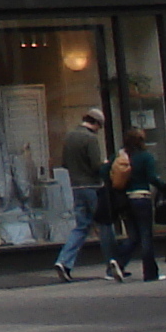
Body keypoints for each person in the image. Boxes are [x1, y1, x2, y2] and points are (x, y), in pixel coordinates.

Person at [54, 109, 108, 283]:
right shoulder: (90, 139)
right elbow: (95, 166)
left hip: (76, 186)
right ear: (96, 124)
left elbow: (64, 163)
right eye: (99, 126)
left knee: (81, 226)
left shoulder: (69, 136)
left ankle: (64, 261)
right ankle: (114, 264)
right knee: (104, 224)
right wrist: (105, 165)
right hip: (93, 186)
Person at [111, 128, 164, 284]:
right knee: (146, 236)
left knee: (133, 236)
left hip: (125, 200)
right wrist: (164, 187)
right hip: (141, 198)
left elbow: (105, 171)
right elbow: (152, 177)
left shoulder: (121, 157)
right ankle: (150, 273)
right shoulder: (146, 157)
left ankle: (118, 262)